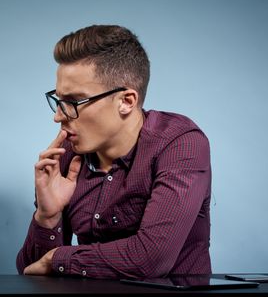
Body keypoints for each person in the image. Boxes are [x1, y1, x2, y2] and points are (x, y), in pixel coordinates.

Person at [16, 25, 211, 279]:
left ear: (126, 101)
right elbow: (31, 272)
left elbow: (152, 258)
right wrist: (47, 217)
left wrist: (58, 259)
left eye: (74, 102)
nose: (58, 116)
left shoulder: (179, 143)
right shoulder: (67, 156)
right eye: (59, 100)